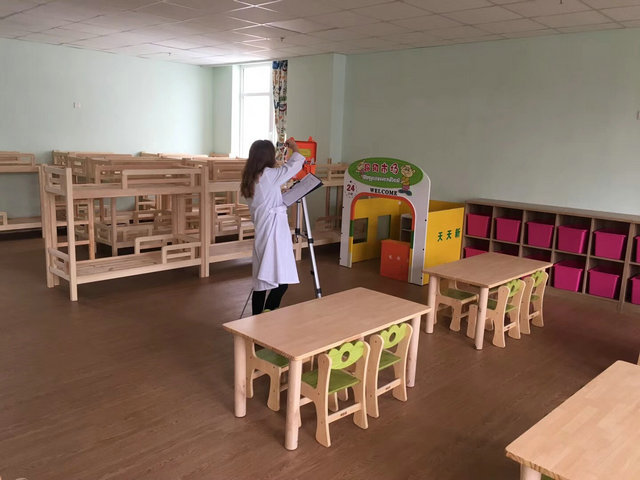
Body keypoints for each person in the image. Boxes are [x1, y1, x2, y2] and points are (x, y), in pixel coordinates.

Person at [240, 138, 305, 315]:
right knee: (282, 281)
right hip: (274, 232)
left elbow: (265, 198)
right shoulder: (268, 175)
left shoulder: (250, 177)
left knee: (261, 282)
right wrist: (294, 148)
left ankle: (257, 318)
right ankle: (269, 313)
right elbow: (295, 165)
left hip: (263, 230)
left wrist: (277, 193)